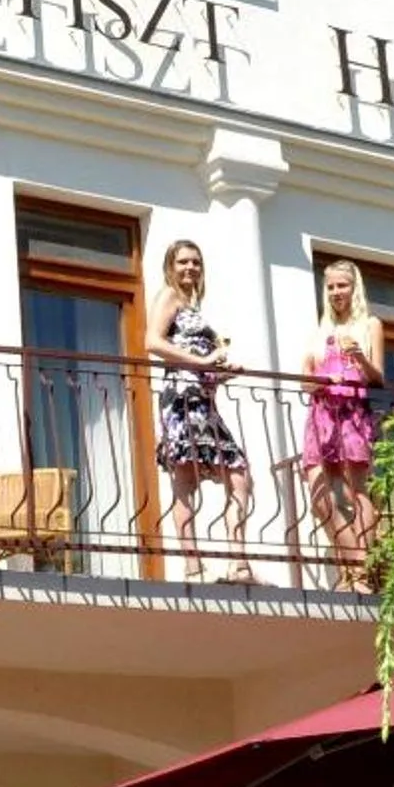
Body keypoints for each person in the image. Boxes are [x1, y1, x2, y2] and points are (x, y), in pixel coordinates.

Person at [150, 237, 254, 580]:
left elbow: (196, 361)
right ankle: (193, 565)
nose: (190, 267)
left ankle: (238, 562)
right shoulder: (169, 295)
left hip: (203, 399)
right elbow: (152, 342)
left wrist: (220, 373)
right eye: (182, 262)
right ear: (170, 266)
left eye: (195, 262)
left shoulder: (193, 307)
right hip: (181, 399)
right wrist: (203, 359)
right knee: (185, 477)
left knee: (238, 474)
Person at [301, 259, 387, 589]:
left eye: (343, 285)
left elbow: (378, 377)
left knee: (356, 492)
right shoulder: (319, 331)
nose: (337, 292)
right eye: (332, 286)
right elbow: (305, 382)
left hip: (352, 413)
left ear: (355, 288)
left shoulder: (370, 325)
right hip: (321, 415)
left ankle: (358, 575)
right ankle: (357, 563)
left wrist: (359, 357)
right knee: (320, 498)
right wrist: (322, 380)